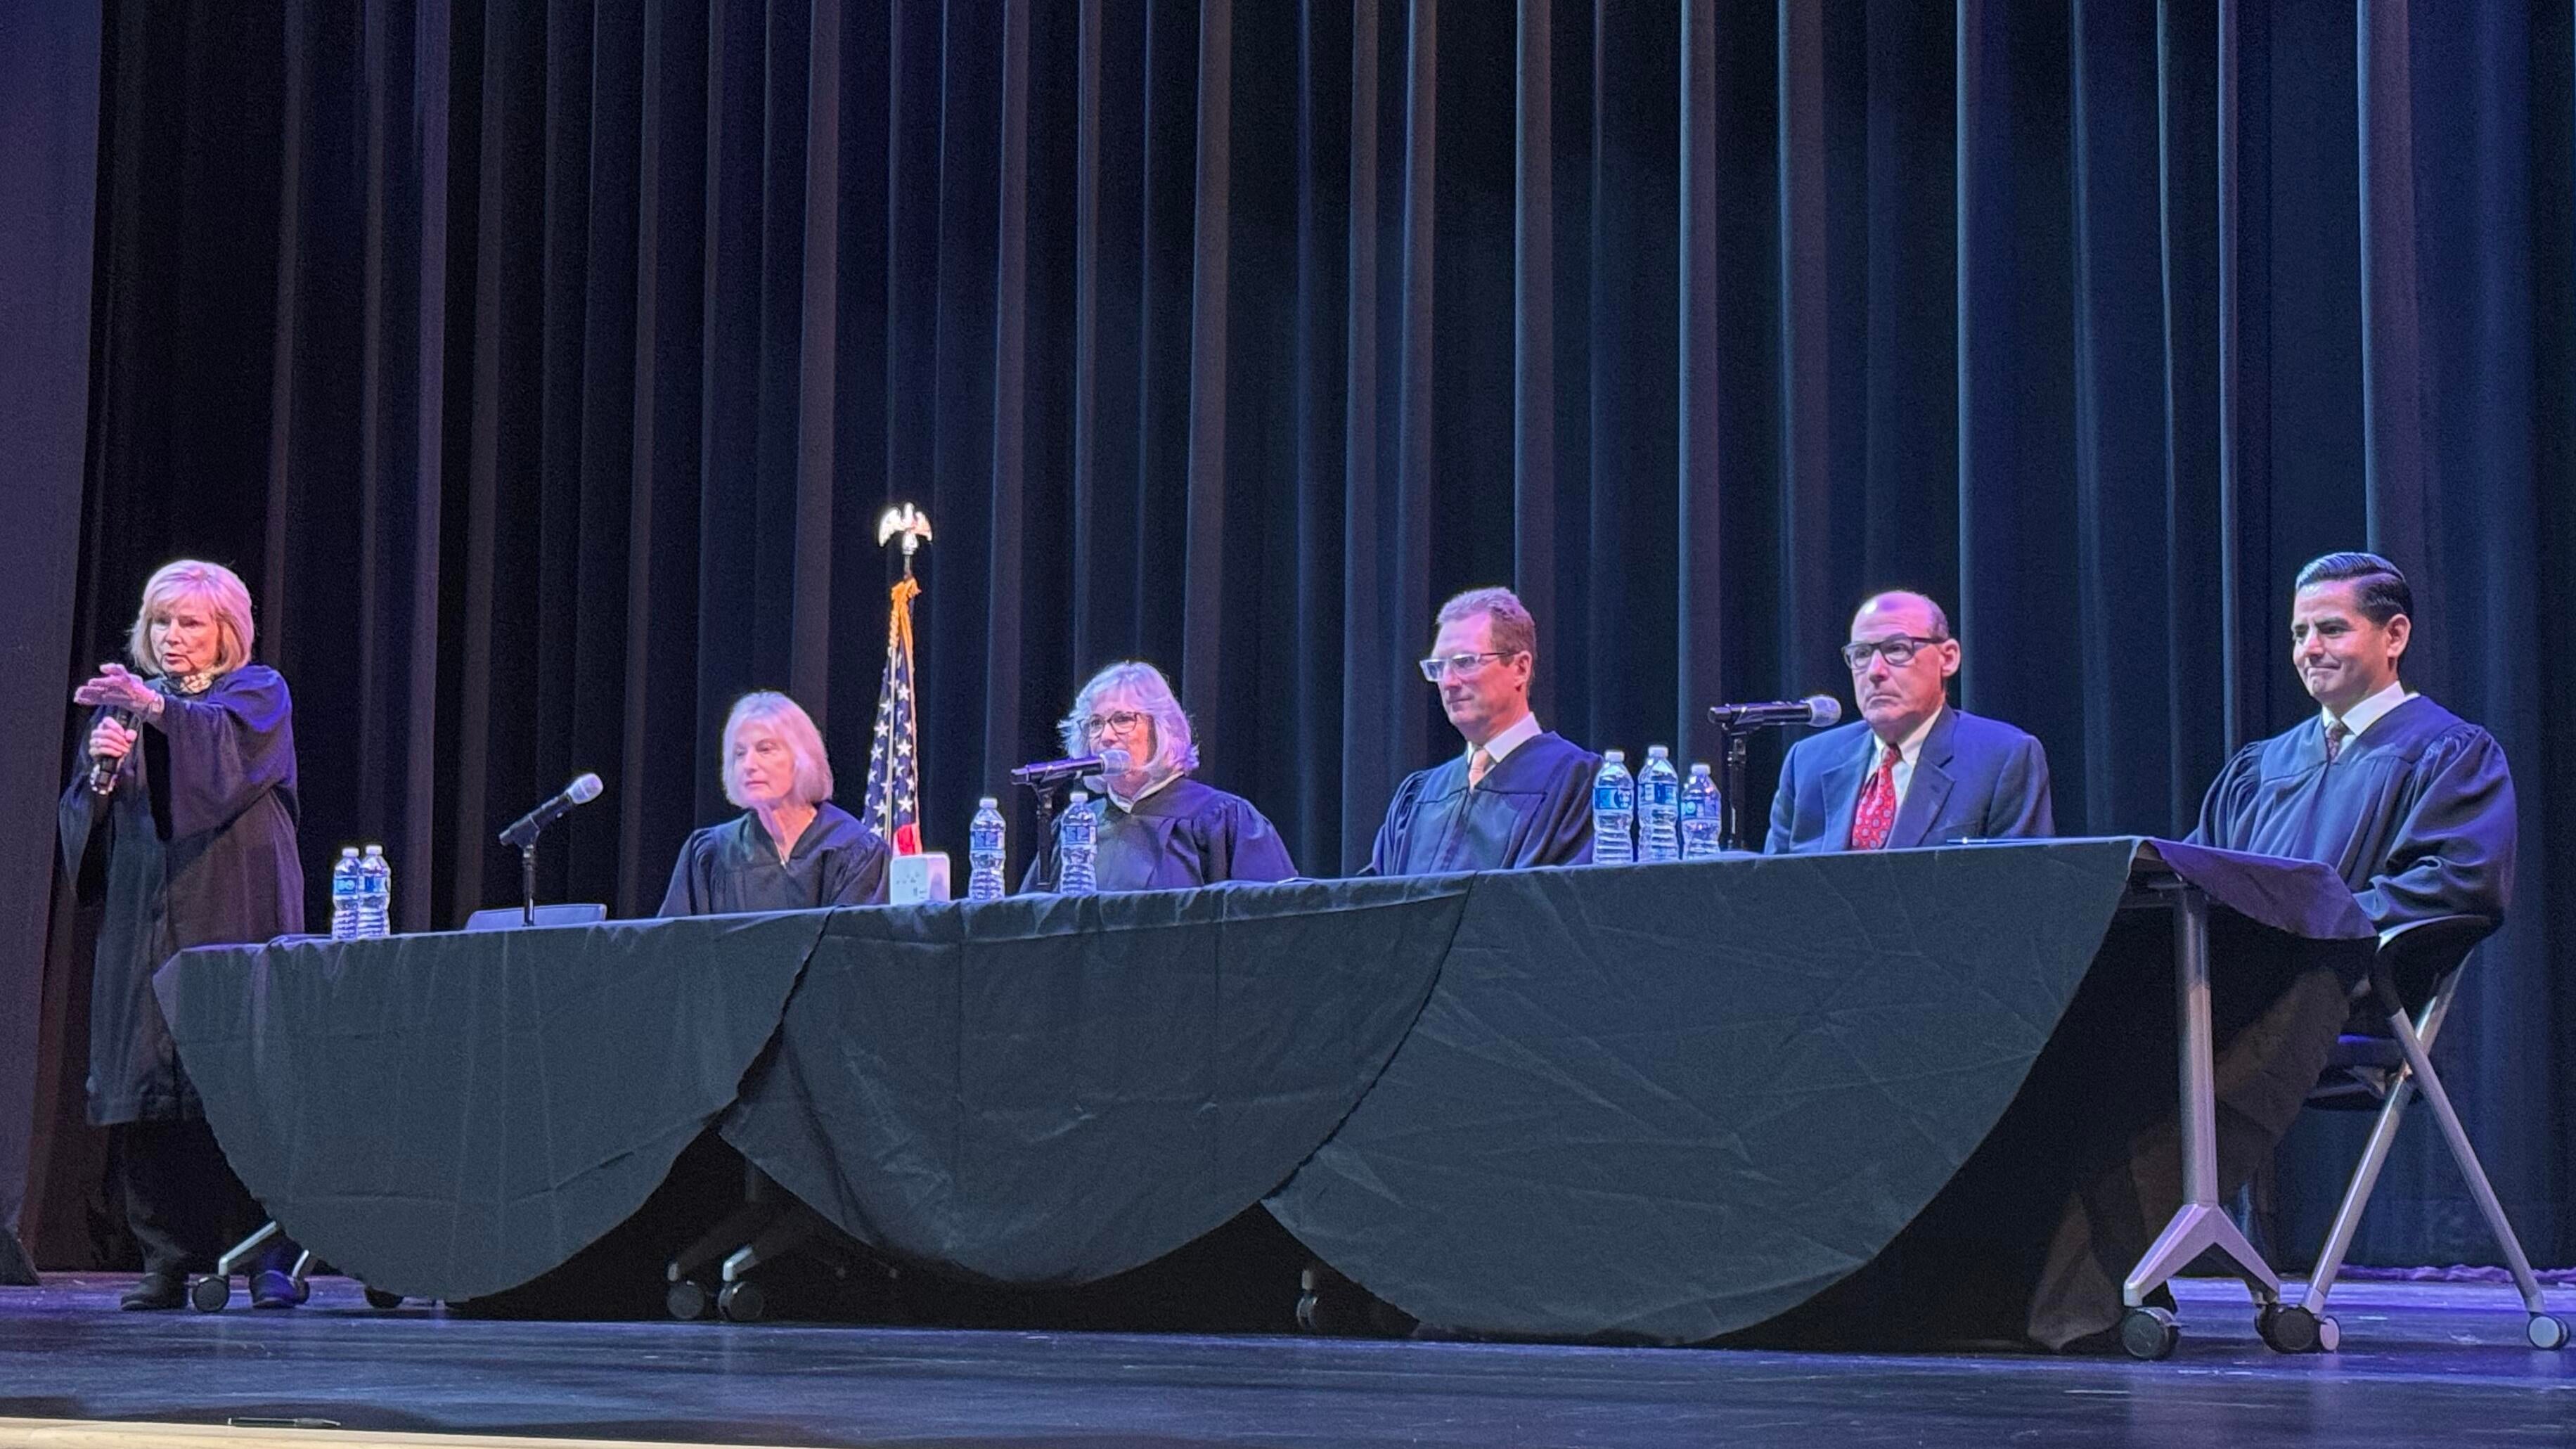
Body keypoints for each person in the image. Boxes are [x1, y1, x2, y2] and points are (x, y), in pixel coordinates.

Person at [2024, 551, 2516, 1350]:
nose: (2309, 648)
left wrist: (2307, 923)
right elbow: (2202, 875)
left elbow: (2457, 883)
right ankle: (2055, 1288)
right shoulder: (2261, 766)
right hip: (2221, 982)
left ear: (2394, 635)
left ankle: (2092, 1297)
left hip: (2341, 990)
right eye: (2297, 633)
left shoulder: (2450, 752)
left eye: (2330, 628)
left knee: (2165, 1055)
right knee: (2076, 1035)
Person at [60, 560, 303, 1310]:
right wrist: (100, 775)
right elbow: (84, 832)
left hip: (233, 903)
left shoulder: (257, 694)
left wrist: (154, 716)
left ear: (227, 632)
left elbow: (218, 758)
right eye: (162, 623)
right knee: (143, 1079)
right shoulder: (134, 710)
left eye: (191, 623)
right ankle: (166, 1259)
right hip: (147, 916)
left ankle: (263, 1258)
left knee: (240, 1081)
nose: (173, 638)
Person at [1767, 590, 2054, 853]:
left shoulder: (2003, 758)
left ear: (1948, 658)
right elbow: (1773, 888)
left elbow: (2019, 893)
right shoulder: (1807, 763)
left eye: (1897, 649)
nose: (1875, 672)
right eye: (1862, 654)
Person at [1369, 587, 1595, 875]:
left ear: (1520, 668)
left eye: (1465, 662)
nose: (1448, 682)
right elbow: (1377, 904)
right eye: (1438, 667)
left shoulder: (1574, 782)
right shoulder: (1419, 795)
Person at [1022, 661, 1294, 892]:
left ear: (1162, 728)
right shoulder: (1073, 829)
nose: (1105, 736)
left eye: (1123, 719)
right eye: (1095, 723)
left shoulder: (1222, 820)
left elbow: (1271, 926)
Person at [659, 692, 889, 915]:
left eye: (765, 749)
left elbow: (853, 947)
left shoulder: (853, 850)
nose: (749, 764)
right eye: (739, 753)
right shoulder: (712, 854)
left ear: (803, 757)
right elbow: (673, 945)